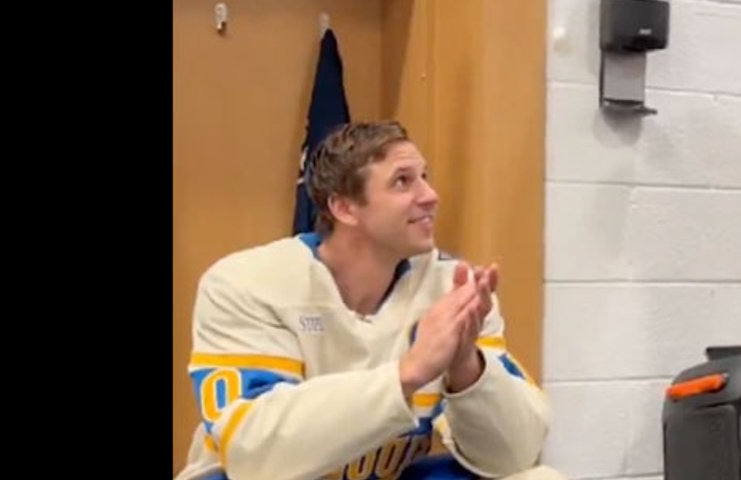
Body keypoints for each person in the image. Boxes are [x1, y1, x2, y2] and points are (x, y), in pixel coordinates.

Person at [175, 120, 564, 480]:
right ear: (343, 207)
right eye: (402, 182)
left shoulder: (453, 287)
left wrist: (467, 367)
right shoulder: (247, 283)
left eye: (424, 178)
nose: (430, 196)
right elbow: (254, 456)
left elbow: (514, 455)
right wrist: (408, 373)